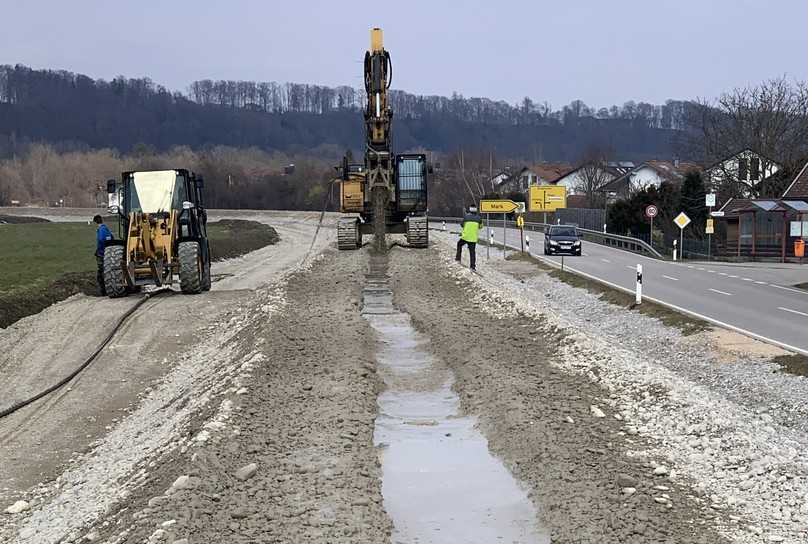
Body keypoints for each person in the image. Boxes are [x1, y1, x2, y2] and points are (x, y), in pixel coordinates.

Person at [456, 206, 483, 270]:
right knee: (472, 252)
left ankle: (458, 259)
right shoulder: (479, 218)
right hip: (473, 238)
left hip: (465, 237)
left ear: (470, 210)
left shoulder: (466, 217)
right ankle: (472, 267)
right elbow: (481, 227)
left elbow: (462, 225)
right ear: (476, 210)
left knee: (459, 244)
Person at [93, 215, 113, 295]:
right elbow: (111, 238)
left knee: (101, 273)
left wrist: (100, 250)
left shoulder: (101, 230)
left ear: (95, 222)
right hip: (108, 253)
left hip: (102, 254)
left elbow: (101, 240)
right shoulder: (106, 229)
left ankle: (103, 291)